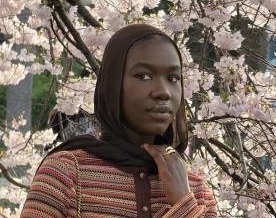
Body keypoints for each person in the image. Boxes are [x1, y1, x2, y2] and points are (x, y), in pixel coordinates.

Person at [21, 24, 217, 217]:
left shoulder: (197, 191)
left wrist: (184, 201)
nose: (163, 92)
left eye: (173, 78)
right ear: (113, 84)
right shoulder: (65, 173)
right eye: (144, 76)